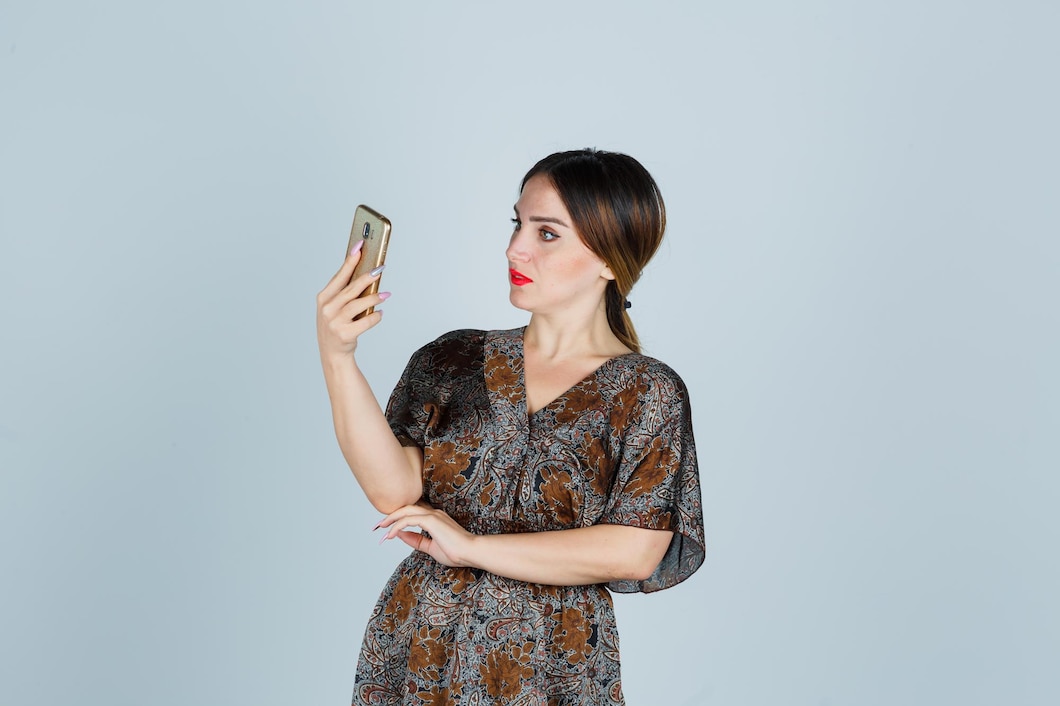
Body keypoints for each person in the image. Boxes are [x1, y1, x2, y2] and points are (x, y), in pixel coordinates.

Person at [316, 149, 705, 705]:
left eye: (547, 234)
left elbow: (635, 551)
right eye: (517, 224)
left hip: (551, 655)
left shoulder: (646, 392)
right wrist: (338, 357)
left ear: (610, 260)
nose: (514, 248)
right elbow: (393, 491)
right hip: (424, 637)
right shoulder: (452, 358)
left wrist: (472, 548)